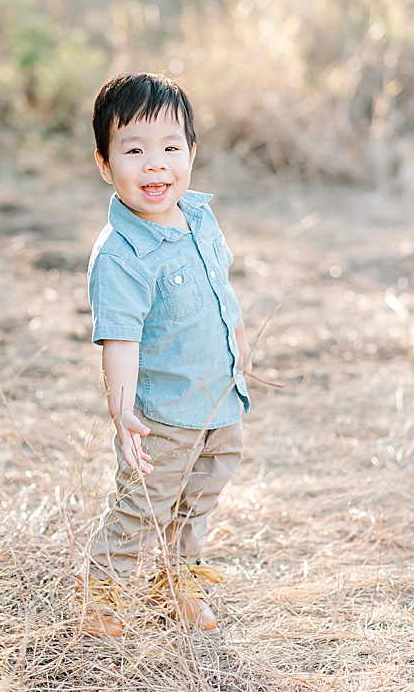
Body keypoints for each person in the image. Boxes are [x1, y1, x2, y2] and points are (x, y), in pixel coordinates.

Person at [77, 72, 251, 638]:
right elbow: (120, 339)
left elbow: (223, 293)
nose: (155, 165)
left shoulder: (199, 217)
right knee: (143, 505)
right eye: (134, 150)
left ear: (192, 153)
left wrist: (241, 353)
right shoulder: (121, 254)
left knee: (200, 496)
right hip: (163, 414)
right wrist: (122, 408)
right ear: (105, 164)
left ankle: (176, 583)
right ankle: (100, 596)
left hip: (219, 401)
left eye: (170, 148)